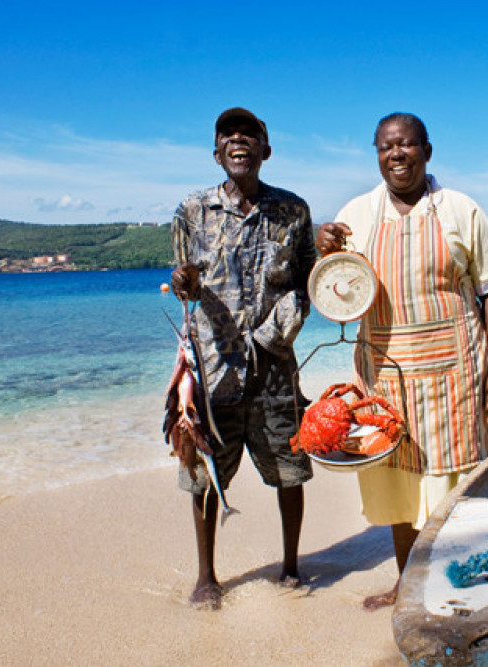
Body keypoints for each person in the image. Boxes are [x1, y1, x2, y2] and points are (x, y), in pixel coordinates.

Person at [315, 112, 488, 609]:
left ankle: (469, 579)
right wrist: (321, 250)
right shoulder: (358, 214)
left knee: (460, 484)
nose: (395, 155)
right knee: (399, 485)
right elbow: (337, 287)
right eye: (385, 147)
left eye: (405, 145)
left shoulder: (460, 210)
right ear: (377, 155)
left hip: (457, 374)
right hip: (383, 375)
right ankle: (409, 585)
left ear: (427, 151)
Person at [170, 107, 316, 609]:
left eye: (249, 135)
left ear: (265, 150)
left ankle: (292, 567)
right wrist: (184, 283)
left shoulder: (293, 211)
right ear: (216, 153)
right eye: (228, 136)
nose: (239, 141)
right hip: (214, 370)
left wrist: (275, 334)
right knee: (205, 471)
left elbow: (307, 283)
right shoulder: (192, 210)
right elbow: (182, 278)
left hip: (275, 365)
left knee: (289, 467)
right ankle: (207, 576)